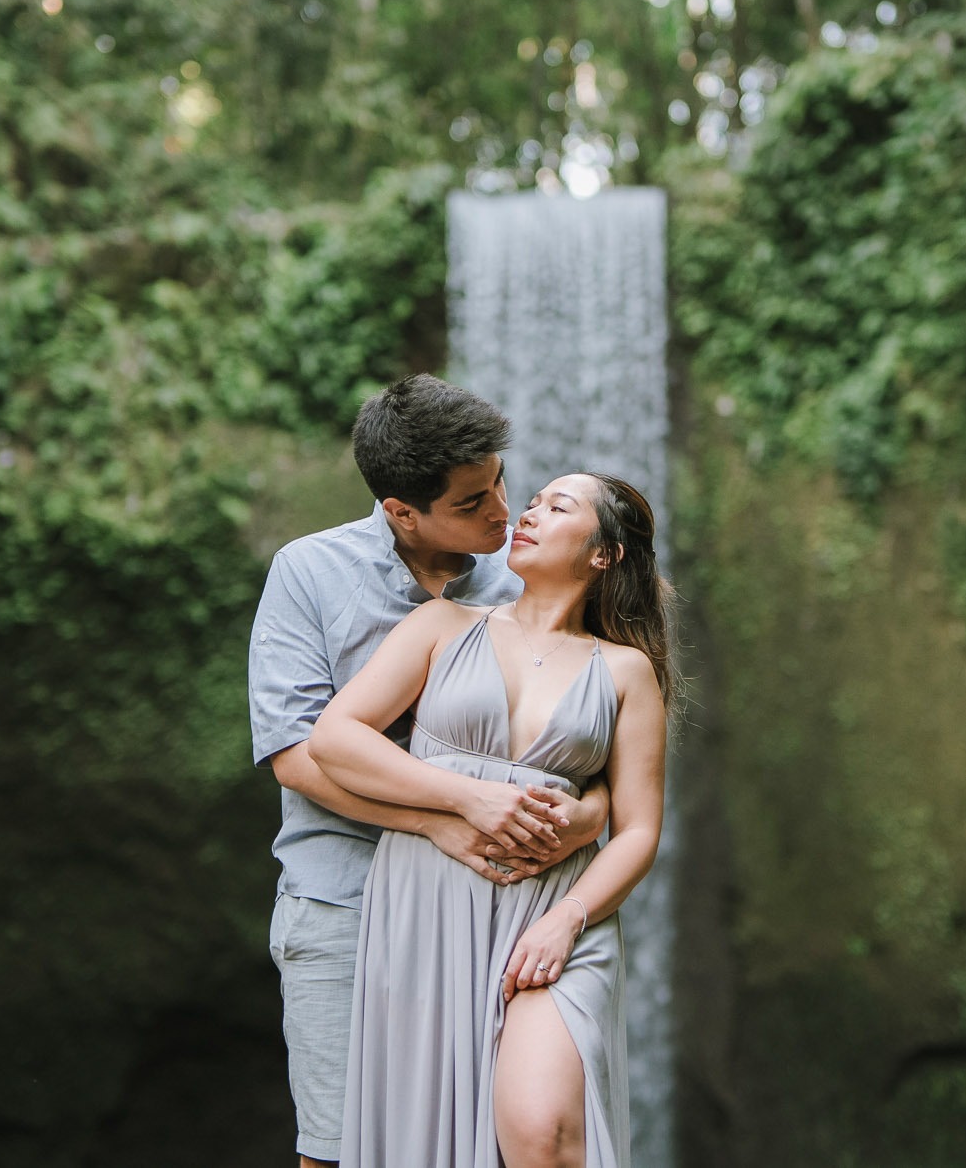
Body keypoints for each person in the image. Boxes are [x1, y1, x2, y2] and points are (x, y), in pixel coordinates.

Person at [249, 376, 611, 1168]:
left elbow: (597, 732)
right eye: (472, 501)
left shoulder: (527, 578)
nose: (501, 510)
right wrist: (447, 816)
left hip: (493, 911)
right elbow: (297, 756)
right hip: (342, 900)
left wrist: (587, 818)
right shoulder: (308, 574)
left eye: (500, 482)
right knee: (339, 1150)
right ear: (401, 511)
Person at [311, 472, 673, 1168]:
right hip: (429, 905)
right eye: (531, 501)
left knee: (542, 1131)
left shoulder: (627, 671)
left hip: (555, 916)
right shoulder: (444, 623)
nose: (528, 512)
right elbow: (336, 738)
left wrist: (567, 918)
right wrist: (466, 798)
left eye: (556, 506)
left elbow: (638, 831)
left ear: (604, 553)